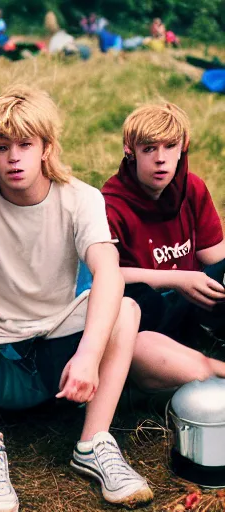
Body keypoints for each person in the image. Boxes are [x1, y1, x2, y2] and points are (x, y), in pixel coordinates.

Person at [0, 85, 153, 511]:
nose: (14, 157)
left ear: (46, 147)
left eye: (25, 145)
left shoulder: (82, 198)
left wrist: (87, 356)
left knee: (124, 306)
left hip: (61, 365)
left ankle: (93, 442)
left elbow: (108, 270)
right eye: (1, 147)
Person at [101, 103, 225, 390]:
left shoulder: (191, 187)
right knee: (138, 328)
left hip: (196, 301)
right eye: (148, 149)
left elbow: (214, 256)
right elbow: (105, 275)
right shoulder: (109, 205)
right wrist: (177, 279)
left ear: (184, 147)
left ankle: (209, 339)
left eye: (170, 147)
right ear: (129, 150)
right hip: (148, 313)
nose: (160, 159)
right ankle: (207, 368)